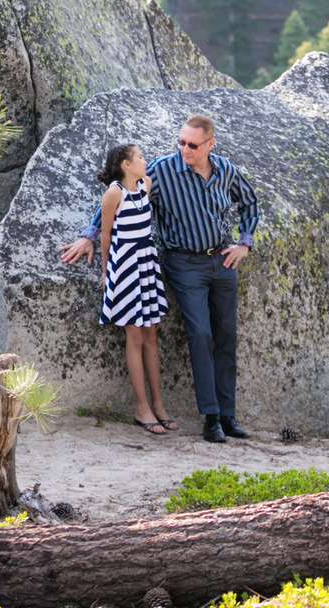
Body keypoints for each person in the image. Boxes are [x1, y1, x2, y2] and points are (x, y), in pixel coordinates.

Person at [62, 114, 258, 443]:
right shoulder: (163, 170)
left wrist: (245, 243)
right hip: (183, 263)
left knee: (226, 336)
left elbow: (250, 204)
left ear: (210, 144)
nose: (185, 149)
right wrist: (89, 234)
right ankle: (210, 418)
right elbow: (119, 196)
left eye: (193, 145)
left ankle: (228, 415)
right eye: (181, 142)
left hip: (223, 261)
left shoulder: (225, 169)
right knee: (199, 333)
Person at [97, 142, 175, 437]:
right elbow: (106, 234)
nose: (144, 160)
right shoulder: (114, 193)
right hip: (126, 265)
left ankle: (158, 404)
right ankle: (142, 408)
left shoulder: (146, 184)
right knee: (134, 334)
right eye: (139, 157)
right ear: (125, 165)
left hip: (147, 262)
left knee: (152, 333)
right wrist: (106, 272)